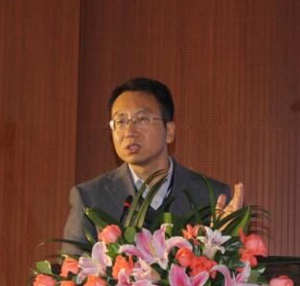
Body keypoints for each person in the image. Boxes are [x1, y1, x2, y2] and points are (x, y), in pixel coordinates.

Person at [62, 77, 243, 254]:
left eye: (142, 119)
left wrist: (224, 244)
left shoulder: (210, 196)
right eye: (121, 121)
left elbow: (235, 266)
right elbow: (71, 269)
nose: (129, 131)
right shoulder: (90, 198)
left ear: (169, 131)